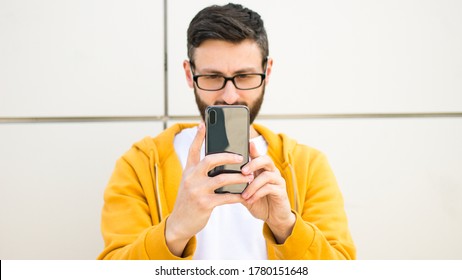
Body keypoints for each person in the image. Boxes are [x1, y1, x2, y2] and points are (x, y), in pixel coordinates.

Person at [98, 3, 355, 260]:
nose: (230, 97)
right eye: (212, 77)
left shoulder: (307, 165)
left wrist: (286, 226)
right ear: (190, 74)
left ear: (267, 72)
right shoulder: (141, 165)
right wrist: (175, 230)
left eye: (244, 76)